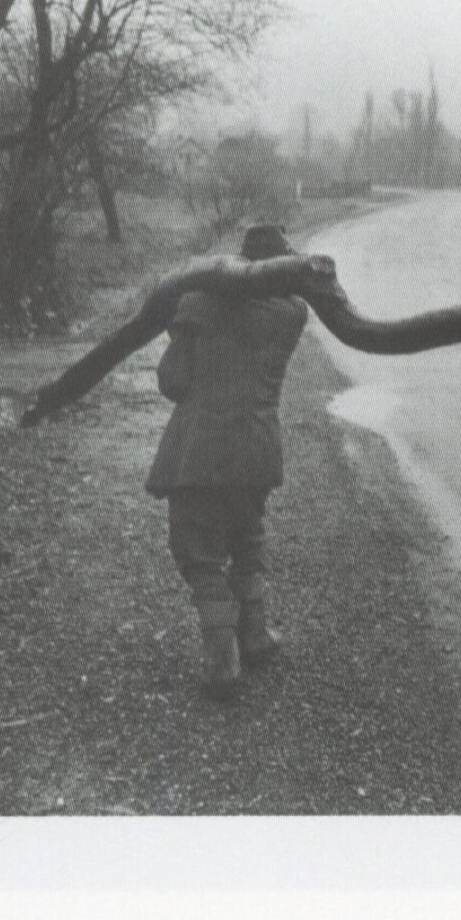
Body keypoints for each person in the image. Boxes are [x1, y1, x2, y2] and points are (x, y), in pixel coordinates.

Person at [145, 224, 309, 698]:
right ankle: (254, 635)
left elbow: (172, 380)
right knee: (247, 539)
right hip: (257, 450)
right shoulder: (292, 314)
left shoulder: (200, 304)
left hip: (200, 452)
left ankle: (222, 660)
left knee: (199, 552)